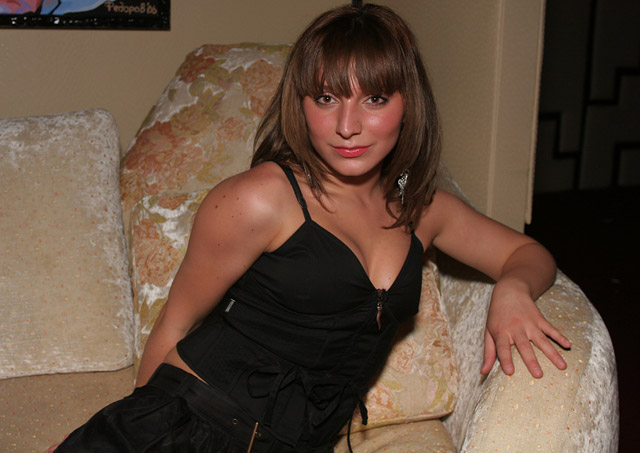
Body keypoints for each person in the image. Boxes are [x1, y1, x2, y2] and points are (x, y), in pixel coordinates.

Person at [52, 3, 571, 452]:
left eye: (374, 99)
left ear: (408, 105)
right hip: (191, 425)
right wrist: (131, 431)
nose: (347, 126)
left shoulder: (422, 206)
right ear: (300, 105)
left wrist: (513, 287)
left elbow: (527, 254)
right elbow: (175, 324)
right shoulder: (260, 198)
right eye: (326, 98)